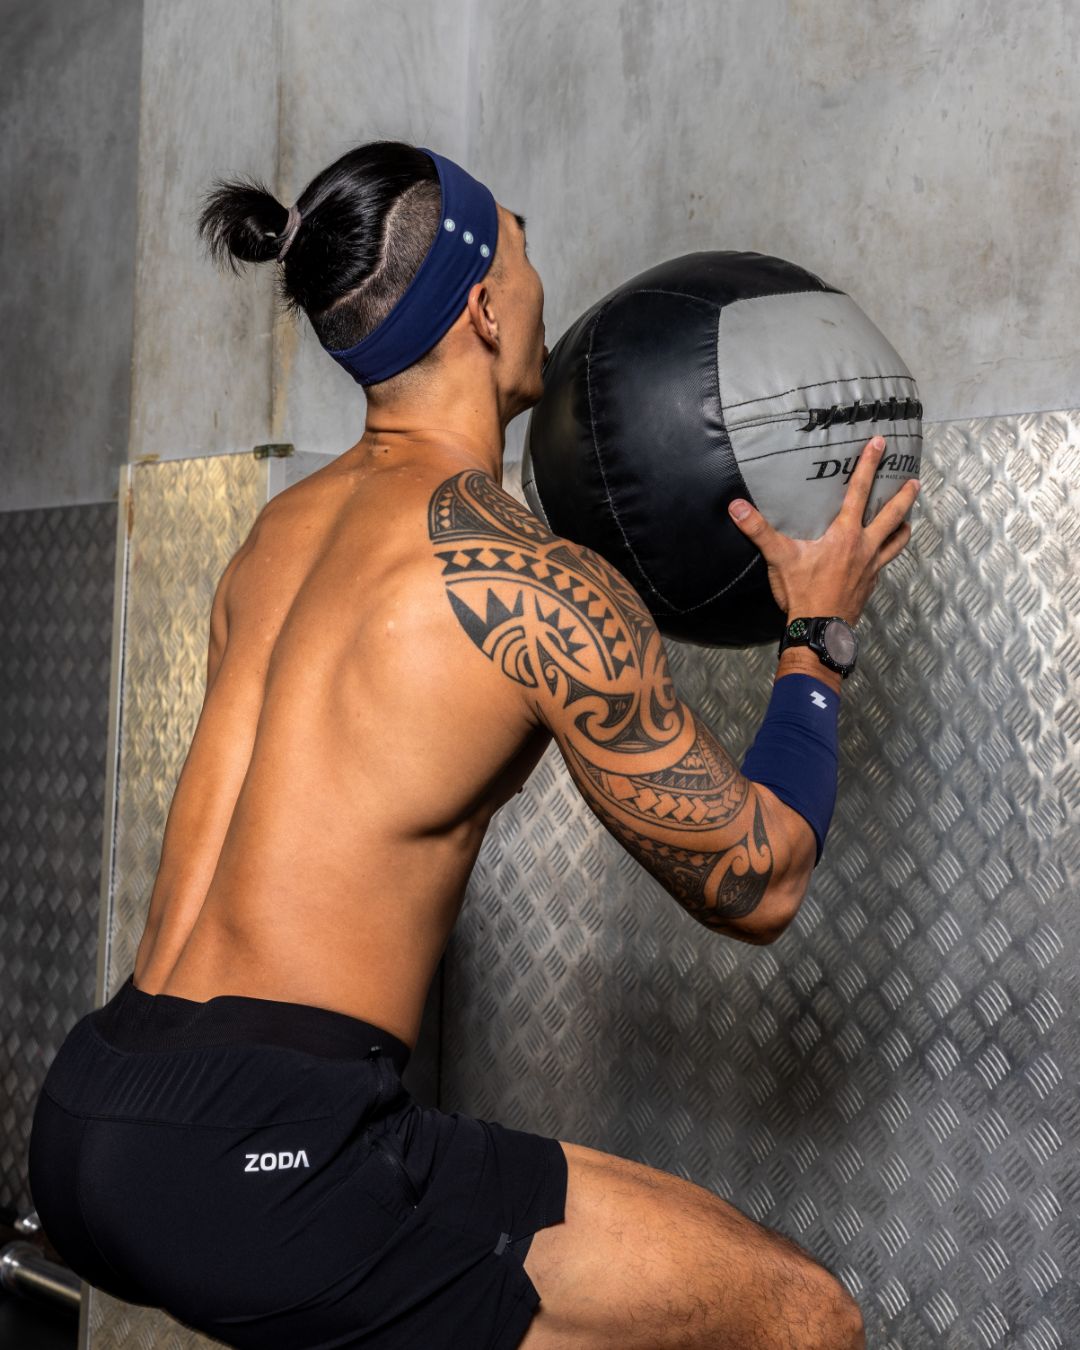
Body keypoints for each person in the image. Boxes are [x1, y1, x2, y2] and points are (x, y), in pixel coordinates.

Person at [28, 140, 918, 1349]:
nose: (542, 279)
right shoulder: (533, 584)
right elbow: (757, 882)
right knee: (803, 1319)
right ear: (487, 308)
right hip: (265, 1158)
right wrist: (818, 632)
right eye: (523, 249)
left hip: (93, 1105)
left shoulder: (273, 539)